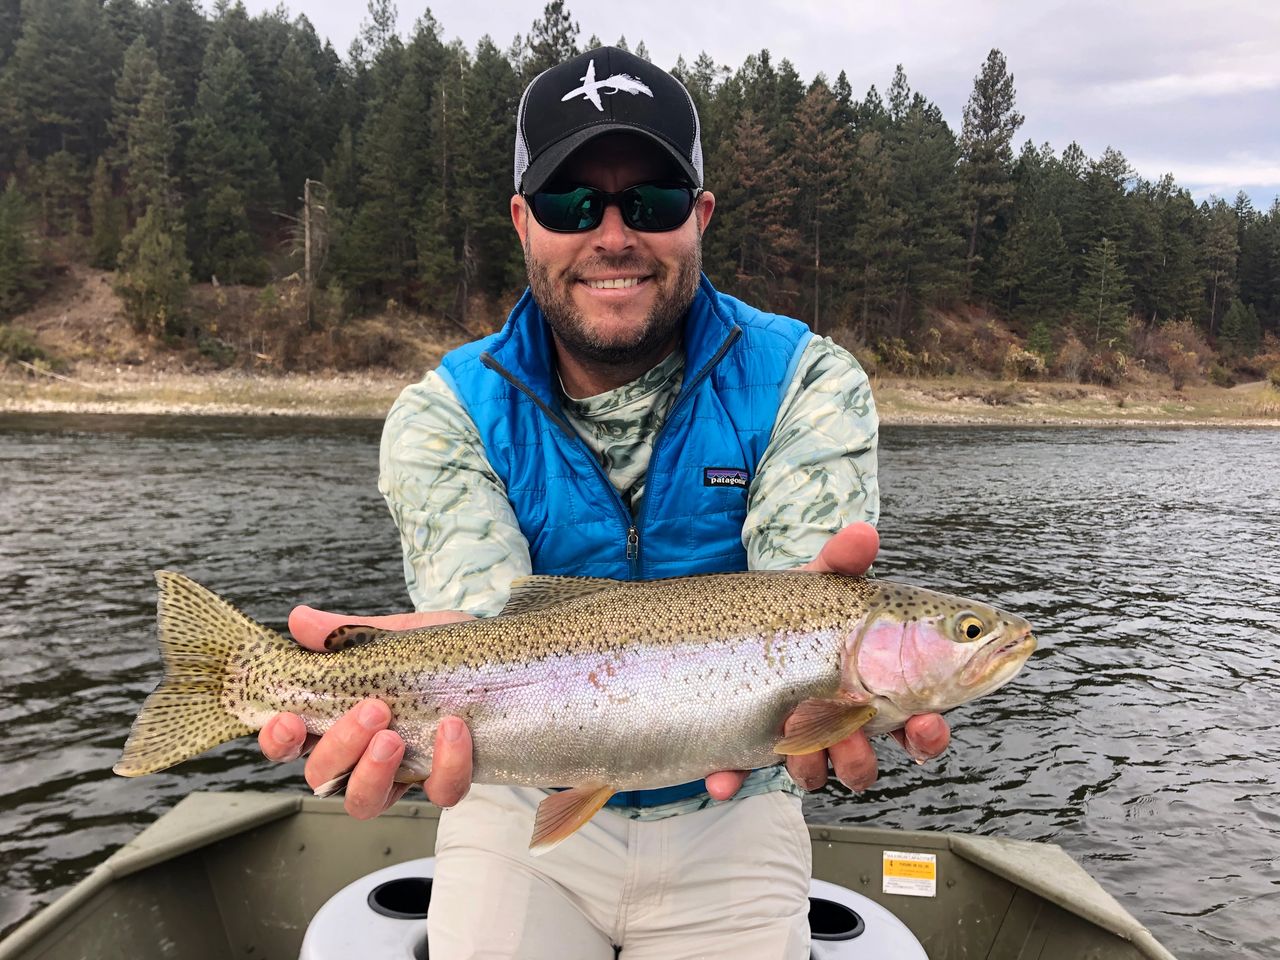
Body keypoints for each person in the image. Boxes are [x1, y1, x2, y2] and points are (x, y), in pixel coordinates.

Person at [260, 46, 950, 958]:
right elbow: (479, 623)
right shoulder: (445, 414)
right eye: (571, 203)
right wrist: (381, 685)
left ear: (699, 217)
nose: (614, 235)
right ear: (522, 221)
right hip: (513, 800)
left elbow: (805, 596)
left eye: (652, 203)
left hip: (738, 802)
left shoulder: (804, 381)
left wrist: (840, 708)